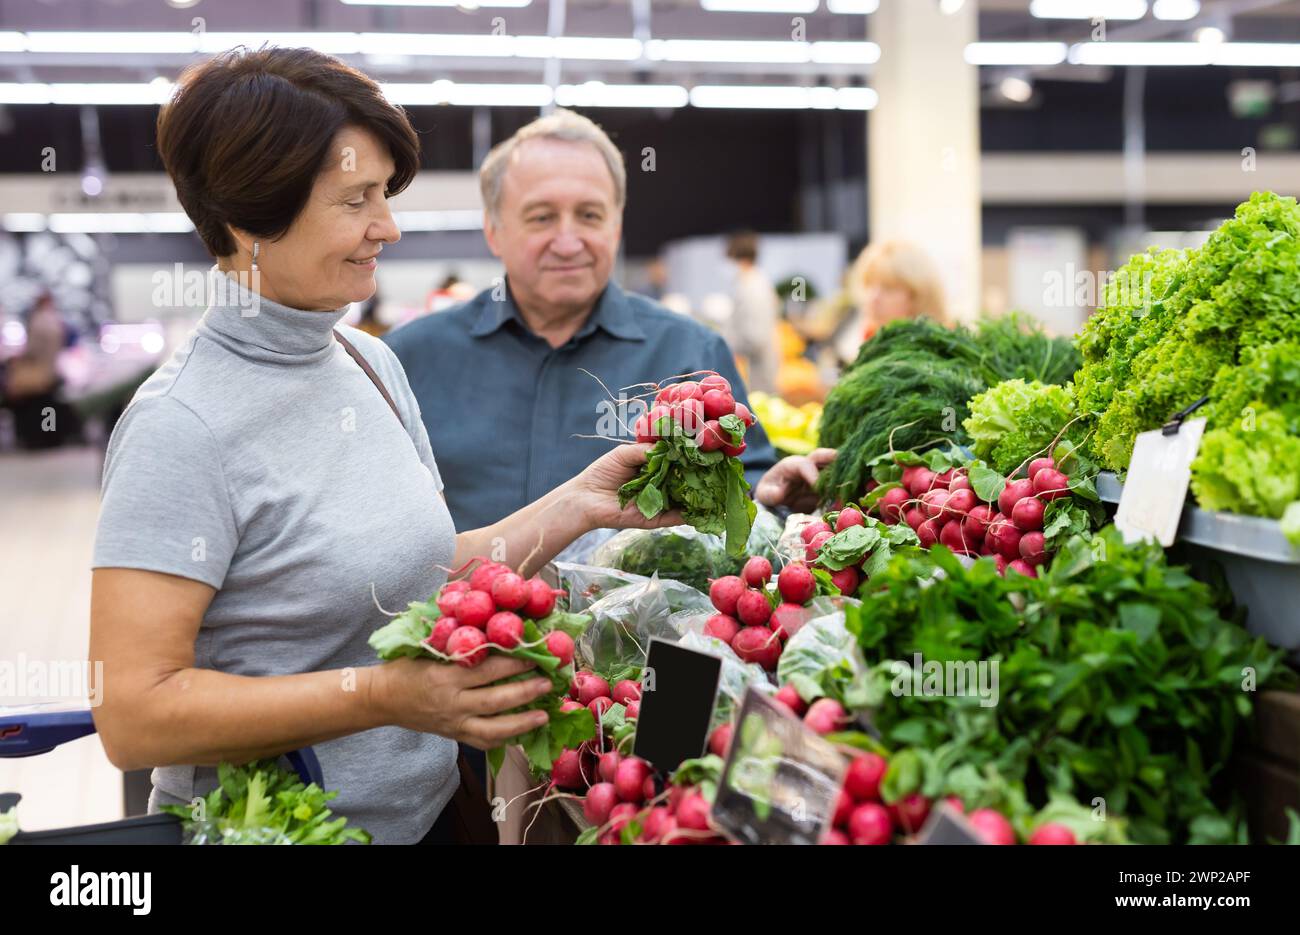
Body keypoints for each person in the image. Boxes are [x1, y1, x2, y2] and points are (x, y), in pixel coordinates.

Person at [88, 47, 685, 846]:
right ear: (250, 214)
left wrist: (579, 503)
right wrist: (383, 696)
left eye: (385, 196)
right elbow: (133, 713)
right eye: (357, 201)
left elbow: (424, 571)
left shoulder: (369, 363)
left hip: (435, 816)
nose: (389, 227)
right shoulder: (180, 424)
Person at [384, 110, 825, 535]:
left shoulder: (691, 353)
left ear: (616, 227)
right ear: (494, 230)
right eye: (541, 217)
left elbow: (742, 488)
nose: (568, 241)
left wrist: (772, 495)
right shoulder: (408, 360)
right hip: (457, 611)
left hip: (640, 612)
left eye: (590, 216)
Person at [836, 240, 949, 362]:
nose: (874, 297)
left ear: (916, 296)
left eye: (888, 288)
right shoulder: (868, 341)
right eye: (869, 285)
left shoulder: (939, 351)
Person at [724, 231, 780, 395]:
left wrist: (727, 346)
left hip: (758, 367)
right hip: (756, 364)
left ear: (740, 258)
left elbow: (756, 336)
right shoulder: (749, 283)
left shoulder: (754, 287)